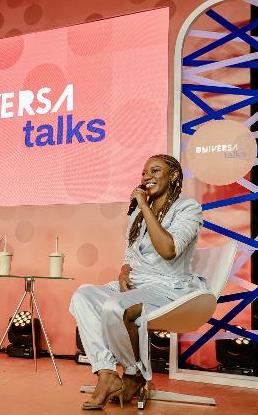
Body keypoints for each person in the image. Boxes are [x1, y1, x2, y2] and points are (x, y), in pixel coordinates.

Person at [69, 154, 204, 409]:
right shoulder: (138, 216)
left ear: (174, 175)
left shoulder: (187, 208)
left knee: (114, 307)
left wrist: (143, 205)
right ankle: (106, 374)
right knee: (82, 295)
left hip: (169, 287)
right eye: (144, 173)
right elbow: (130, 256)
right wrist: (123, 271)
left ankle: (133, 373)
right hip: (137, 284)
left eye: (155, 171)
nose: (146, 177)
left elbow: (169, 249)